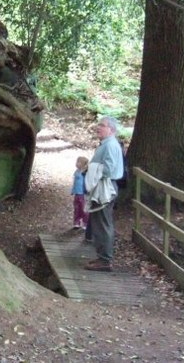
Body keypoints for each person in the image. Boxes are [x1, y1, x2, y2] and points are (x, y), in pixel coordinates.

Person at [84, 116, 124, 272]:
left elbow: (108, 169)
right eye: (98, 124)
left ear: (111, 130)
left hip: (106, 187)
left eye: (102, 125)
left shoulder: (110, 146)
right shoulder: (107, 144)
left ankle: (105, 260)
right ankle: (102, 257)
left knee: (103, 223)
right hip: (103, 186)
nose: (98, 127)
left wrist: (91, 168)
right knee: (99, 222)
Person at [71, 156, 89, 230]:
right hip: (77, 194)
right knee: (76, 208)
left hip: (83, 194)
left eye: (78, 162)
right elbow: (75, 182)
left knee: (83, 209)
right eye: (77, 161)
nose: (76, 163)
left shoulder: (85, 173)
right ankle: (76, 222)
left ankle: (85, 223)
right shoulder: (76, 171)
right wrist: (73, 190)